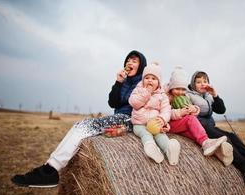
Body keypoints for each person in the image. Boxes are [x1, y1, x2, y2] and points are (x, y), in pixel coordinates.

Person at [11, 50, 147, 187]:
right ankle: (50, 167)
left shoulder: (143, 84)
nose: (129, 62)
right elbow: (113, 103)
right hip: (117, 116)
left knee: (85, 127)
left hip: (128, 120)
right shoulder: (124, 82)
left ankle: (50, 170)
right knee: (80, 125)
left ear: (141, 66)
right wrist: (118, 82)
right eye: (128, 60)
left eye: (134, 61)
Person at [166, 67, 228, 158]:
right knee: (190, 119)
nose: (180, 92)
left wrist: (194, 109)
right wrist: (179, 112)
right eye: (177, 89)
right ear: (171, 88)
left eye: (183, 89)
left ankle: (217, 153)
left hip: (179, 124)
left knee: (193, 134)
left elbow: (221, 110)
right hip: (168, 124)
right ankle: (205, 142)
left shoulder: (186, 96)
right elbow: (165, 112)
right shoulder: (166, 97)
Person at [129, 63, 181, 165]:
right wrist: (146, 93)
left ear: (159, 82)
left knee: (160, 134)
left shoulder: (162, 95)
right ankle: (151, 148)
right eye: (147, 78)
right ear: (143, 80)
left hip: (154, 123)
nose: (149, 80)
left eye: (153, 78)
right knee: (145, 134)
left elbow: (166, 111)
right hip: (139, 124)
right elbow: (134, 103)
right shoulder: (138, 90)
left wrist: (162, 120)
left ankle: (169, 150)